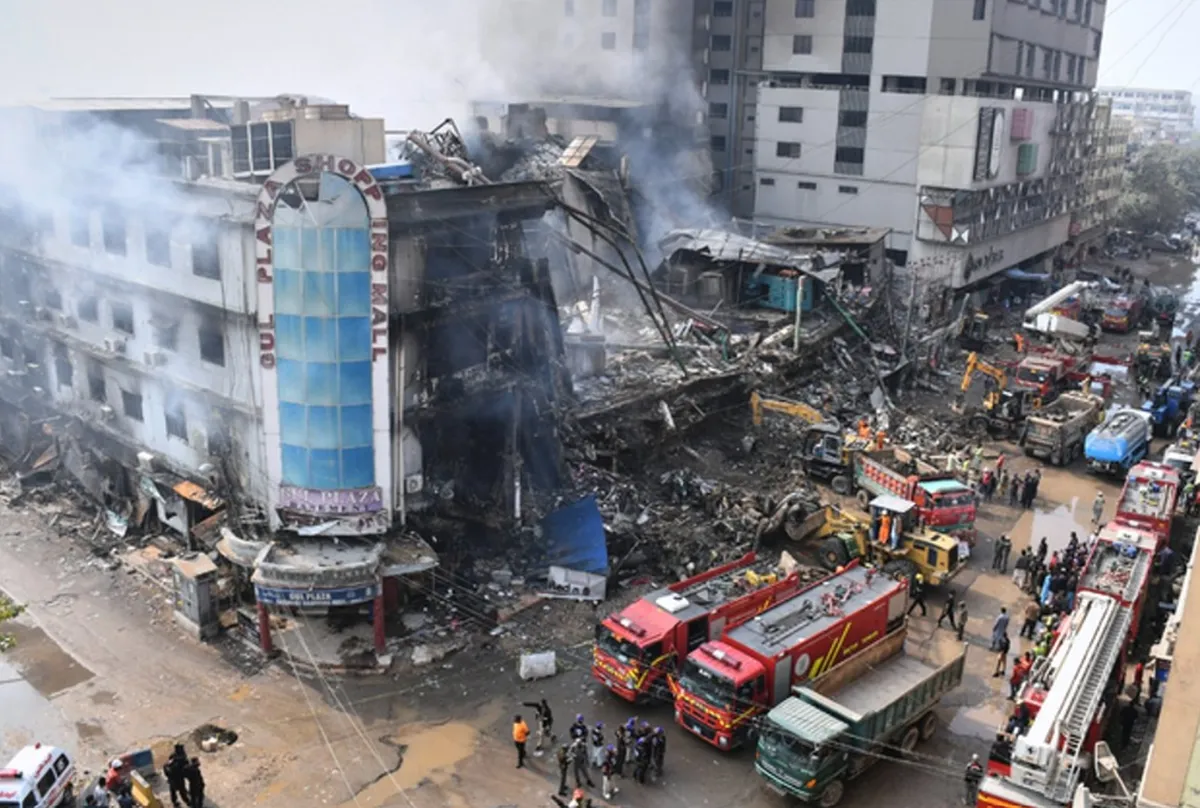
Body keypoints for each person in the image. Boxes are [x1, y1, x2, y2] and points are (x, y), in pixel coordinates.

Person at [164, 743, 190, 808]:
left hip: (172, 780)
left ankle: (175, 802)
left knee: (173, 791)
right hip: (178, 780)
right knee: (182, 791)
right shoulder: (181, 759)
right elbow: (186, 768)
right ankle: (187, 801)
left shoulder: (172, 757)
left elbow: (165, 768)